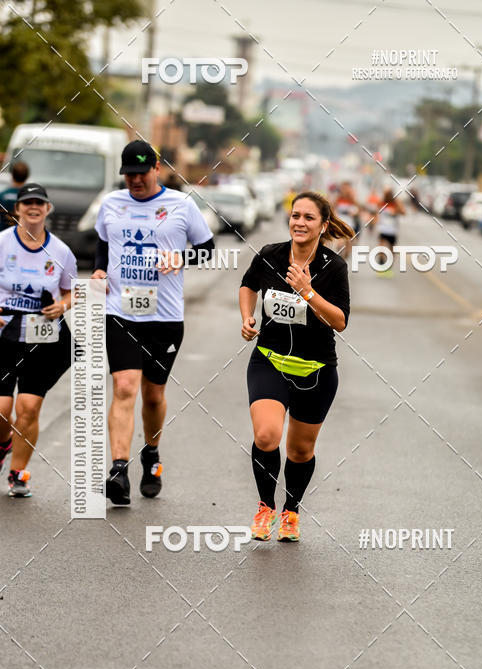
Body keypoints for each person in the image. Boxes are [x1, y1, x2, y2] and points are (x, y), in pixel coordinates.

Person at [91, 141, 215, 505]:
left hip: (164, 317)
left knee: (153, 394)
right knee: (125, 386)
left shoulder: (181, 205)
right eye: (128, 175)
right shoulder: (112, 203)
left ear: (156, 168)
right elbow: (102, 241)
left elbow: (207, 249)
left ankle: (151, 454)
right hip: (121, 312)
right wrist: (100, 267)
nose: (134, 181)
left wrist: (180, 258)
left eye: (141, 174)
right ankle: (118, 469)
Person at [239, 191, 351, 542]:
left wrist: (307, 291)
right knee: (266, 435)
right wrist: (247, 316)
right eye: (295, 215)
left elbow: (340, 321)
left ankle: (291, 512)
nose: (299, 223)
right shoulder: (271, 254)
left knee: (300, 450)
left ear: (323, 226)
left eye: (308, 218)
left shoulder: (334, 267)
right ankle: (265, 507)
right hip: (269, 360)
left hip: (315, 370)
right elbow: (247, 285)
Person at [0, 183, 75, 496]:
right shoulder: (2, 243)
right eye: (27, 202)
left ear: (47, 209)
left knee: (28, 408)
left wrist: (63, 304)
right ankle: (4, 443)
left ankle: (18, 474)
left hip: (42, 337)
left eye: (39, 203)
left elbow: (72, 290)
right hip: (4, 334)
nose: (33, 207)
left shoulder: (60, 251)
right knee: (2, 409)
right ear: (17, 209)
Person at [375, 188, 406, 267]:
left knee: (392, 249)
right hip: (383, 229)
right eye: (386, 194)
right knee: (381, 247)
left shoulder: (396, 203)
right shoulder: (382, 203)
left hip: (392, 230)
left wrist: (396, 210)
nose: (387, 196)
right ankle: (381, 262)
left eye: (389, 194)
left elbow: (403, 212)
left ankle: (389, 265)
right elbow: (376, 211)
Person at [0, 161, 30, 231]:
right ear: (27, 177)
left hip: (3, 234)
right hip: (23, 235)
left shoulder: (2, 195)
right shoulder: (30, 197)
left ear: (12, 175)